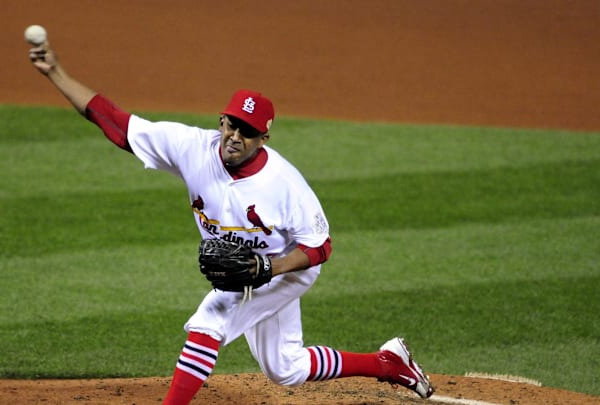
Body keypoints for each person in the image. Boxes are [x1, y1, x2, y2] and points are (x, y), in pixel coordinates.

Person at [28, 42, 434, 404]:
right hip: (253, 269)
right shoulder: (191, 148)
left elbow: (321, 247)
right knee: (285, 368)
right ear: (221, 120)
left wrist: (269, 268)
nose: (235, 136)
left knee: (212, 319)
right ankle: (388, 363)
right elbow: (115, 122)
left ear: (265, 136)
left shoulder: (285, 184)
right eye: (232, 124)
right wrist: (56, 73)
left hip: (286, 268)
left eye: (248, 130)